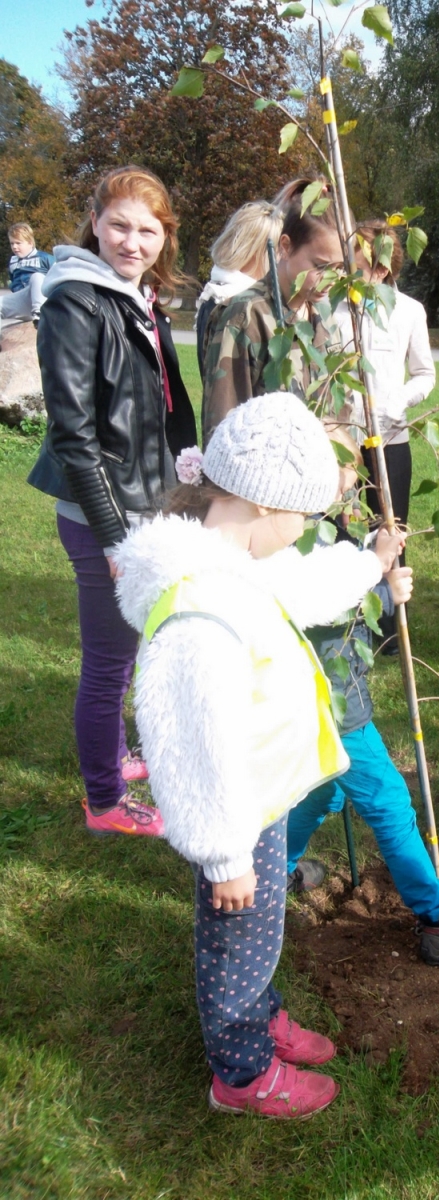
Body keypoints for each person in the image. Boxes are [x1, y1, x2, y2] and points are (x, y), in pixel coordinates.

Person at [114, 393, 401, 1118]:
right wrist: (223, 855)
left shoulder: (233, 566)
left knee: (258, 930)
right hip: (233, 824)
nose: (304, 531)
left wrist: (369, 563)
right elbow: (187, 745)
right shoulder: (198, 611)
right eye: (302, 517)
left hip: (260, 802)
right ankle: (240, 1074)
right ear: (263, 506)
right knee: (236, 938)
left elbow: (299, 586)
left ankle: (260, 1011)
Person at [286, 433, 439, 965]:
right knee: (389, 804)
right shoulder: (306, 539)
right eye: (347, 468)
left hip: (309, 698)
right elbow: (327, 614)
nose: (356, 479)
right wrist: (380, 580)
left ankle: (274, 867)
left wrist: (379, 577)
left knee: (324, 792)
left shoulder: (306, 528)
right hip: (334, 704)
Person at [27, 165, 197, 836]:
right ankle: (103, 801)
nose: (132, 241)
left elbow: (153, 407)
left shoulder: (133, 296)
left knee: (128, 652)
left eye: (147, 229)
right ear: (94, 222)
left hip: (141, 506)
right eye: (119, 225)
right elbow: (75, 435)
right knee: (107, 664)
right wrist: (115, 537)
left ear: (166, 237)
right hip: (106, 516)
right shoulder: (75, 300)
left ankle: (116, 756)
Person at [334, 219, 436, 653]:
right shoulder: (330, 308)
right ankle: (343, 616)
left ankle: (392, 630)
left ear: (386, 268)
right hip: (339, 442)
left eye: (372, 266)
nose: (363, 273)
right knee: (341, 528)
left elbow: (425, 374)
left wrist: (395, 404)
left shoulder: (409, 311)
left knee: (389, 527)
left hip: (389, 439)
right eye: (355, 263)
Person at [201, 176, 347, 444]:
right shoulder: (245, 316)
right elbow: (223, 431)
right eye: (321, 267)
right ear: (285, 246)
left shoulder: (324, 317)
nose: (332, 280)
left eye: (339, 269)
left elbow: (341, 416)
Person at [194, 200, 283, 374]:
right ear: (257, 250)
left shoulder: (221, 292)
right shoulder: (230, 302)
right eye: (280, 249)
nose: (282, 258)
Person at [1, 222, 53, 328]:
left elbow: (59, 278)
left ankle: (40, 315)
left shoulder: (45, 258)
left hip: (43, 299)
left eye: (18, 243)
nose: (14, 247)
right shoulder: (13, 261)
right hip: (22, 300)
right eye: (12, 243)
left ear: (30, 243)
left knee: (37, 276)